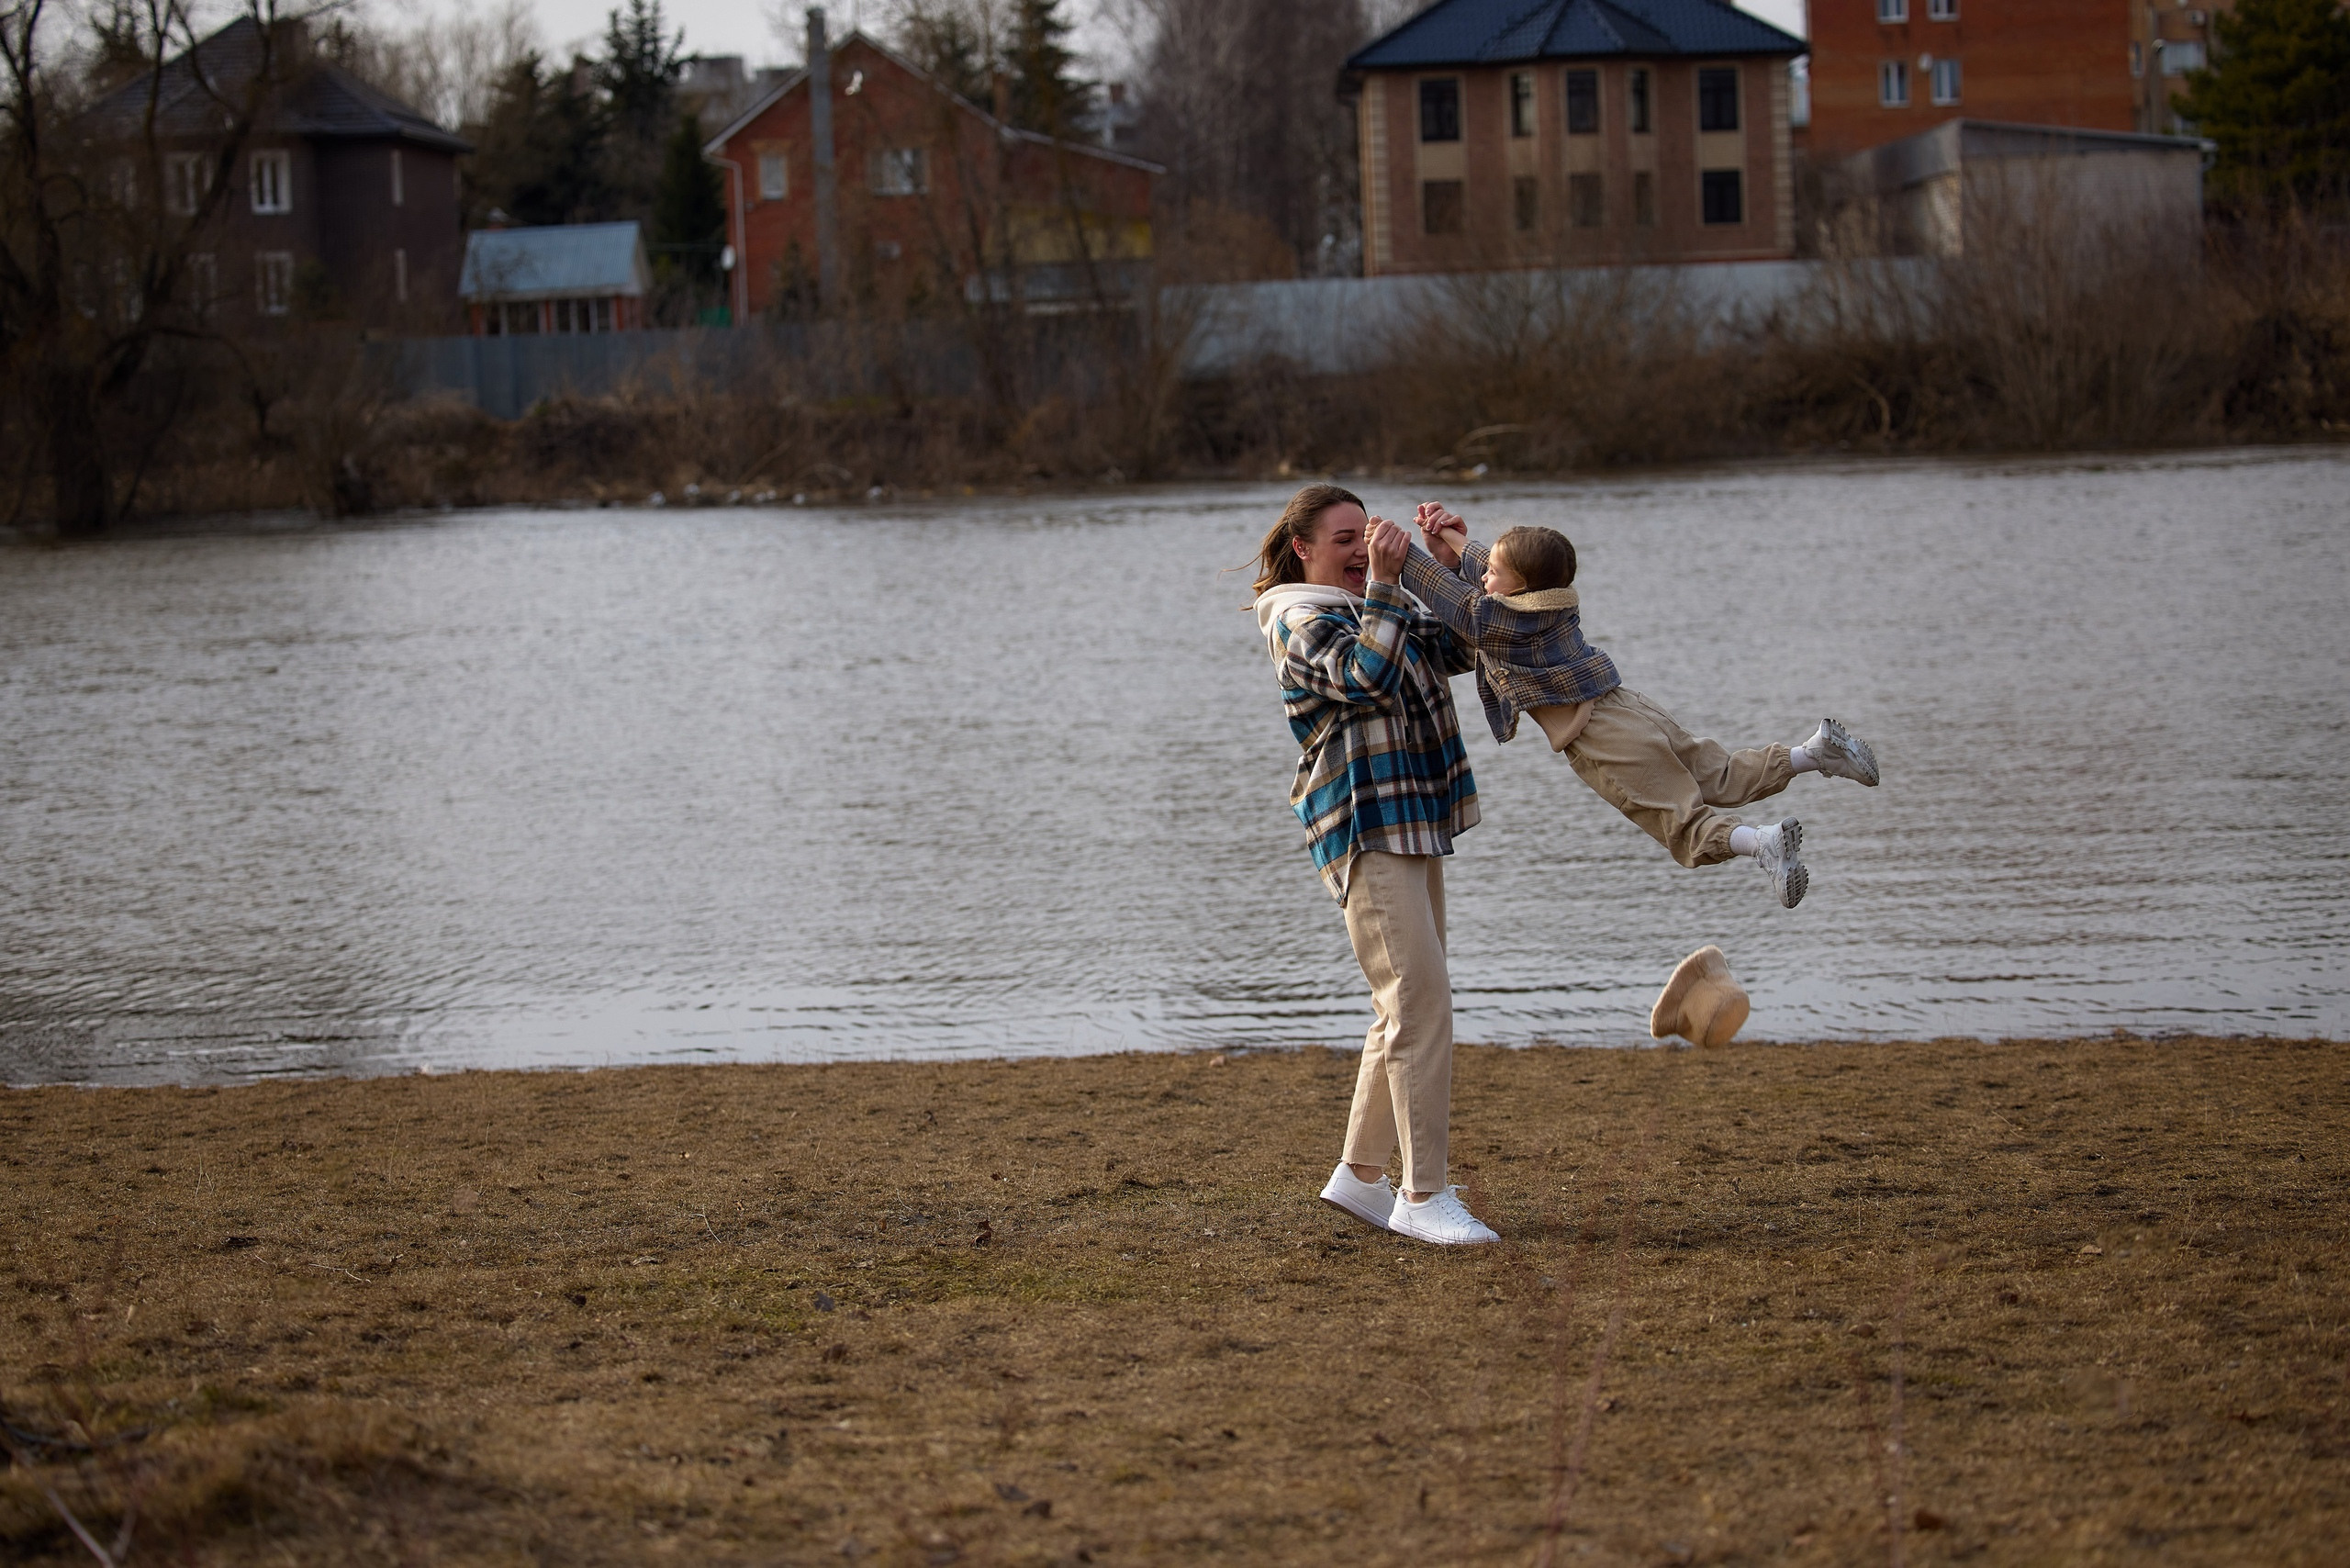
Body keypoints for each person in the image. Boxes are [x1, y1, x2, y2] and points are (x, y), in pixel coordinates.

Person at [1404, 505, 1881, 908]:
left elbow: (1464, 606)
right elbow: (1497, 569)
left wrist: (1398, 554)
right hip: (1627, 706)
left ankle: (1763, 844)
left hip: (1600, 735)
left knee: (1680, 823)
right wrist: (1454, 545)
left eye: (1491, 574)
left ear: (1516, 586)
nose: (1482, 575)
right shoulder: (1550, 598)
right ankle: (1815, 754)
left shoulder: (1499, 618)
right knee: (1716, 773)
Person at [1252, 485, 1499, 1246]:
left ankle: (1359, 1180)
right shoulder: (1300, 617)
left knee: (1403, 1005)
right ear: (1304, 547)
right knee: (1421, 1006)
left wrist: (1461, 561)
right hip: (1365, 822)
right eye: (1344, 538)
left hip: (1413, 818)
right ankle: (1423, 1197)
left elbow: (1469, 642)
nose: (1363, 549)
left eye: (1367, 534)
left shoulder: (1373, 605)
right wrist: (1390, 586)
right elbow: (1366, 677)